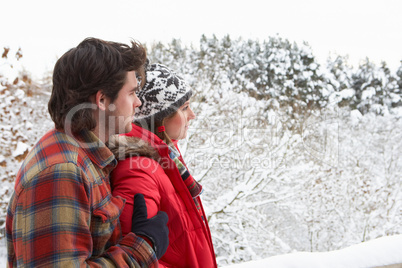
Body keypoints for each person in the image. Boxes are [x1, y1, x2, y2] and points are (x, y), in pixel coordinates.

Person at [5, 38, 169, 267]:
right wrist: (141, 249)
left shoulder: (86, 158)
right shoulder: (61, 171)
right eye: (131, 93)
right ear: (102, 100)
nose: (138, 103)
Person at [109, 63, 217, 268]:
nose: (192, 115)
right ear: (158, 119)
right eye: (184, 108)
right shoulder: (138, 170)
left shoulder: (167, 157)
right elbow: (139, 257)